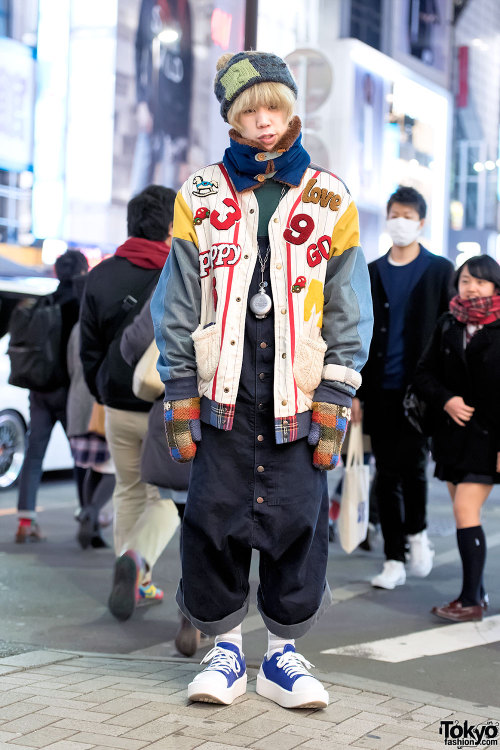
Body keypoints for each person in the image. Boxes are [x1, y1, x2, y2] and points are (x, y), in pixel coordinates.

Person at [151, 50, 373, 709]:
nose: (265, 121)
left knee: (299, 524)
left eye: (274, 106)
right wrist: (179, 388)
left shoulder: (331, 197)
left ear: (291, 109)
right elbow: (177, 301)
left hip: (299, 398)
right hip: (219, 397)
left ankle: (282, 659)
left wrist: (337, 390)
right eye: (250, 111)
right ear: (231, 118)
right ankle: (224, 654)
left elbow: (348, 303)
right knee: (213, 524)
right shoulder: (200, 195)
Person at [80, 185, 179, 621]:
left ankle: (132, 577)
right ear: (171, 227)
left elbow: (88, 348)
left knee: (128, 489)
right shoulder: (179, 272)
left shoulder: (100, 275)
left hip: (116, 401)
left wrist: (101, 389)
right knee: (169, 498)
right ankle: (137, 563)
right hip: (164, 402)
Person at [354, 185, 454, 590]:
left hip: (421, 390)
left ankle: (417, 534)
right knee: (386, 471)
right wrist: (357, 392)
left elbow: (448, 334)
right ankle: (394, 557)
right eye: (395, 214)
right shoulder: (372, 271)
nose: (400, 222)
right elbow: (358, 333)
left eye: (408, 217)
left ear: (421, 222)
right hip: (379, 388)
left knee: (413, 467)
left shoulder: (440, 271)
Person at [414, 255, 500, 622]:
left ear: (495, 287)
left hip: (489, 438)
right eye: (465, 280)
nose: (471, 287)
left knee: (466, 510)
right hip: (450, 436)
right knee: (464, 512)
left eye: (480, 281)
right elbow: (423, 374)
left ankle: (470, 601)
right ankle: (475, 591)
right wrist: (445, 400)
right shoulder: (449, 323)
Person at [120, 294, 199, 656]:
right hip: (232, 419)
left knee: (138, 496)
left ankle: (135, 557)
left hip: (174, 415)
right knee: (218, 528)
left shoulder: (174, 279)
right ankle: (196, 607)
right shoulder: (254, 267)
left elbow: (133, 342)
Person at [15, 250, 88, 543]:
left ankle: (24, 520)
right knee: (81, 456)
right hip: (69, 391)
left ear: (57, 272)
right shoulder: (81, 305)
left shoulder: (45, 301)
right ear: (83, 271)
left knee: (34, 454)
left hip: (40, 389)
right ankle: (88, 517)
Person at [66, 272, 114, 550]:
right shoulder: (101, 325)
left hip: (78, 405)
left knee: (91, 468)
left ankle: (90, 521)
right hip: (99, 403)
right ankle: (91, 512)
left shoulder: (76, 328)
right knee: (111, 467)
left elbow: (72, 367)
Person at [131, 0, 192, 194]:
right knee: (138, 191)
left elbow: (188, 71)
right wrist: (141, 101)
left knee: (169, 197)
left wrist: (184, 146)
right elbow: (139, 48)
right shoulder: (149, 4)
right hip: (152, 107)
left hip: (175, 119)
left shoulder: (184, 7)